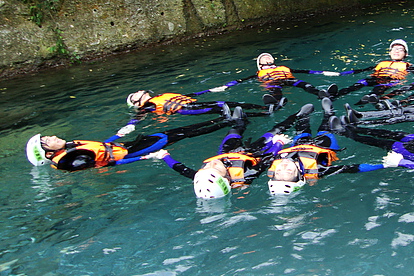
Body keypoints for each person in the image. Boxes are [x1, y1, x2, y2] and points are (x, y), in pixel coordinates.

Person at [146, 103, 316, 198]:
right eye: (215, 168)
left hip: (228, 150)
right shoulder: (246, 174)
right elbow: (268, 159)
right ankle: (298, 116)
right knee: (276, 131)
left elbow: (180, 168)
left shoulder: (206, 174)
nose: (212, 163)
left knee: (234, 131)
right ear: (226, 178)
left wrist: (164, 155)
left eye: (205, 167)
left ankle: (241, 122)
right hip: (254, 152)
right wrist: (278, 143)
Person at [266, 98, 390, 194]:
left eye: (279, 170)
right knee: (326, 129)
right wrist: (386, 165)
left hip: (299, 145)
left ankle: (303, 116)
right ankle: (328, 112)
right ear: (298, 174)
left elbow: (265, 156)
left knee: (301, 130)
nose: (284, 165)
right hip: (323, 147)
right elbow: (353, 168)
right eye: (289, 170)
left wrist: (277, 143)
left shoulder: (275, 163)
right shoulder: (318, 170)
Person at [25, 114, 235, 171]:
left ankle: (223, 120)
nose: (52, 137)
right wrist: (144, 157)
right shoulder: (69, 161)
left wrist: (118, 134)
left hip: (125, 146)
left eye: (48, 136)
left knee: (173, 132)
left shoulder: (68, 149)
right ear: (47, 154)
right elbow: (108, 163)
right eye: (47, 141)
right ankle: (227, 122)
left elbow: (100, 148)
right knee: (178, 135)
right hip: (131, 153)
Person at [117, 90, 285, 136]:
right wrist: (130, 127)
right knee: (222, 107)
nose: (139, 91)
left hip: (194, 103)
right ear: (136, 102)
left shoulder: (161, 96)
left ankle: (266, 109)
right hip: (187, 110)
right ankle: (264, 114)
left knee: (227, 103)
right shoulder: (149, 106)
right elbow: (139, 116)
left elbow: (191, 96)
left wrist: (213, 89)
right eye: (135, 94)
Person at [327, 39, 414, 100]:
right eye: (394, 49)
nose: (396, 51)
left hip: (392, 80)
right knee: (360, 83)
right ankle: (335, 95)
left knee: (379, 88)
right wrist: (340, 74)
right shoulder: (381, 63)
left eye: (400, 49)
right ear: (390, 52)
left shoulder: (408, 65)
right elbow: (362, 70)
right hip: (376, 78)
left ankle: (371, 99)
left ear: (405, 54)